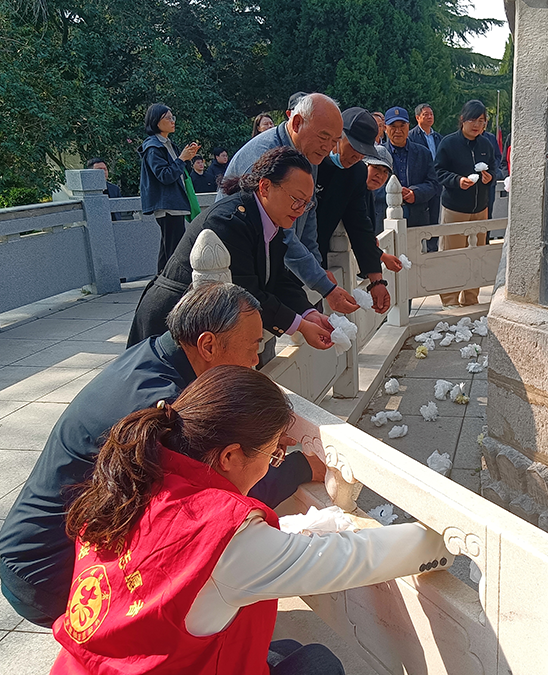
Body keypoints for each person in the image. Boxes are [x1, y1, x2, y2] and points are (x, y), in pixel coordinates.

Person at [50, 365, 450, 674]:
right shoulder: (222, 533)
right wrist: (444, 540)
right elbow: (351, 558)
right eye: (273, 454)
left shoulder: (132, 478)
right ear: (230, 456)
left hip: (86, 665)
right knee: (317, 665)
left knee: (282, 650)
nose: (272, 464)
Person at [0, 283, 321, 628]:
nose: (256, 360)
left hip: (29, 549)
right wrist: (301, 467)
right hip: (53, 571)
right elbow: (215, 504)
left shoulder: (152, 354)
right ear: (208, 345)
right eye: (253, 346)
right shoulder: (165, 407)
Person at [127, 147, 335, 355]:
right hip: (171, 321)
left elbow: (278, 279)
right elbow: (246, 293)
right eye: (296, 199)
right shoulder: (228, 222)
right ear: (265, 187)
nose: (300, 210)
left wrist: (308, 313)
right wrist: (300, 325)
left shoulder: (271, 218)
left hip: (202, 322)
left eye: (306, 204)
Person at [222, 92, 359, 320]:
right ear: (296, 123)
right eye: (323, 137)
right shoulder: (266, 156)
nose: (328, 147)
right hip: (238, 267)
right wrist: (322, 283)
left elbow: (308, 212)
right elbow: (281, 233)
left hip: (270, 263)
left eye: (334, 140)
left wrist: (317, 267)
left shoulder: (307, 155)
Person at [315, 108, 402, 314]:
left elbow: (359, 224)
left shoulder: (357, 172)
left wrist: (376, 280)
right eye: (354, 147)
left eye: (364, 151)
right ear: (338, 136)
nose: (357, 156)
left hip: (319, 256)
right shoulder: (312, 162)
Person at [434, 99, 500, 307]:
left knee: (478, 254)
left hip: (480, 209)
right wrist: (457, 181)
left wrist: (491, 177)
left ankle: (471, 299)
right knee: (452, 256)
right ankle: (450, 300)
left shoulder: (486, 144)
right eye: (473, 120)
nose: (477, 125)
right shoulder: (449, 143)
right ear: (462, 119)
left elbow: (495, 167)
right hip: (455, 209)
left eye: (481, 121)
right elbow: (439, 171)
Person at [139, 103, 200, 273]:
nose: (172, 121)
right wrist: (181, 159)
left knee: (167, 248)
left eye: (173, 117)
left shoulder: (168, 144)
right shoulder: (153, 147)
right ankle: (172, 282)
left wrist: (187, 158)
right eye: (168, 118)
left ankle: (160, 281)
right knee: (174, 248)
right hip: (167, 204)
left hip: (174, 202)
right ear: (155, 121)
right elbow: (165, 175)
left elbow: (180, 173)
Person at [383, 106, 440, 229]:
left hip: (417, 218)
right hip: (385, 219)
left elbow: (433, 183)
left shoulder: (423, 153)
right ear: (385, 128)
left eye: (402, 126)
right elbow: (370, 186)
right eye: (393, 126)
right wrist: (394, 194)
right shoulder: (378, 154)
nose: (398, 131)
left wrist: (415, 193)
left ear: (408, 126)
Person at [408, 103, 444, 240]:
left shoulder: (438, 137)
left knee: (435, 217)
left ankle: (433, 246)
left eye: (431, 114)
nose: (430, 117)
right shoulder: (411, 137)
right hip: (421, 183)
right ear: (417, 117)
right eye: (425, 114)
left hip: (436, 181)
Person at [363, 145, 393, 235]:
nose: (380, 175)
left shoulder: (369, 193)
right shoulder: (353, 192)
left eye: (385, 172)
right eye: (376, 167)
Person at [481, 130, 508, 219]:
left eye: (483, 122)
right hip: (471, 182)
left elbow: (498, 157)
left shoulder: (491, 138)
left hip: (489, 182)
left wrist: (490, 167)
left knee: (488, 214)